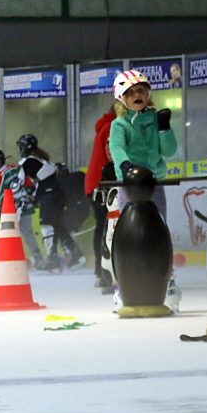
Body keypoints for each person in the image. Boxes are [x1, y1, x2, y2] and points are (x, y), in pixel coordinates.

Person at [108, 69, 177, 220]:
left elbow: (169, 151)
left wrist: (165, 128)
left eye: (141, 90)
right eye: (131, 92)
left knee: (158, 226)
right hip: (130, 185)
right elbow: (117, 147)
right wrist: (125, 165)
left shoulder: (155, 119)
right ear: (122, 97)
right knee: (131, 226)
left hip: (154, 183)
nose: (137, 95)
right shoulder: (119, 124)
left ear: (147, 94)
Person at [16, 134, 85, 271]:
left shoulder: (27, 162)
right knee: (58, 226)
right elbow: (41, 179)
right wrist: (33, 194)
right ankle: (76, 254)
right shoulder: (41, 159)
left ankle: (52, 258)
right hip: (57, 194)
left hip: (49, 195)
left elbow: (18, 183)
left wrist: (20, 195)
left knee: (46, 225)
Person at [0, 149, 44, 269]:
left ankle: (12, 261)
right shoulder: (14, 169)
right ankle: (37, 259)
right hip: (24, 207)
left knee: (7, 235)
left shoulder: (2, 174)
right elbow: (29, 185)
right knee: (27, 234)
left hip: (12, 211)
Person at [84, 103, 118, 292]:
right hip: (104, 182)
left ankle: (102, 272)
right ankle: (106, 273)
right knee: (109, 227)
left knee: (104, 227)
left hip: (97, 181)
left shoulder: (106, 124)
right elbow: (112, 156)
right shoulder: (115, 125)